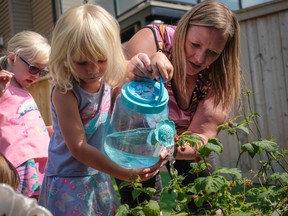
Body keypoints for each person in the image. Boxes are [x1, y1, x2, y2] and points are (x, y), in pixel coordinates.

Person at [38, 4, 166, 215]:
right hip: (68, 180)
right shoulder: (64, 92)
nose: (93, 69)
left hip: (98, 174)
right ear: (64, 56)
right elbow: (78, 148)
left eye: (101, 59)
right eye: (82, 62)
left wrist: (156, 58)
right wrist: (125, 174)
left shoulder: (110, 76)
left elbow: (139, 66)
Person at [117, 0, 241, 212]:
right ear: (183, 29)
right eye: (195, 45)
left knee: (205, 200)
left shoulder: (220, 75)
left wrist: (169, 148)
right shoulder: (152, 40)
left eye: (213, 53)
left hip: (183, 141)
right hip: (137, 135)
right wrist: (142, 67)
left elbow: (202, 138)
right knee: (142, 204)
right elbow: (117, 93)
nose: (200, 58)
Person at [0, 31, 51, 199]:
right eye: (33, 68)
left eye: (42, 72)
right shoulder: (3, 85)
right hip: (19, 163)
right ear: (12, 59)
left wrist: (47, 131)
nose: (36, 75)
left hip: (42, 160)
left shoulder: (24, 91)